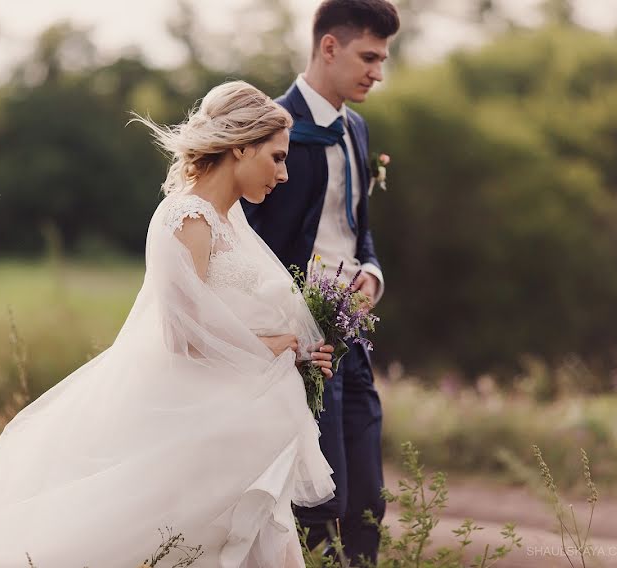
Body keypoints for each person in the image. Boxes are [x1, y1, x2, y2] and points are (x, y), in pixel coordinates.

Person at [0, 81, 338, 568]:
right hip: (187, 420)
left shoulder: (227, 220)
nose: (284, 174)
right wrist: (280, 346)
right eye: (277, 157)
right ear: (240, 148)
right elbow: (184, 336)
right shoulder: (187, 219)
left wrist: (296, 350)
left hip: (231, 421)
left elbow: (231, 320)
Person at [242, 0, 400, 563]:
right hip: (300, 345)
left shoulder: (356, 129)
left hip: (354, 335)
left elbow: (360, 235)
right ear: (328, 47)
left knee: (367, 496)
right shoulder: (268, 127)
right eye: (368, 57)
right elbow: (243, 239)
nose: (377, 72)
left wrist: (372, 278)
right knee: (317, 500)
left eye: (382, 60)